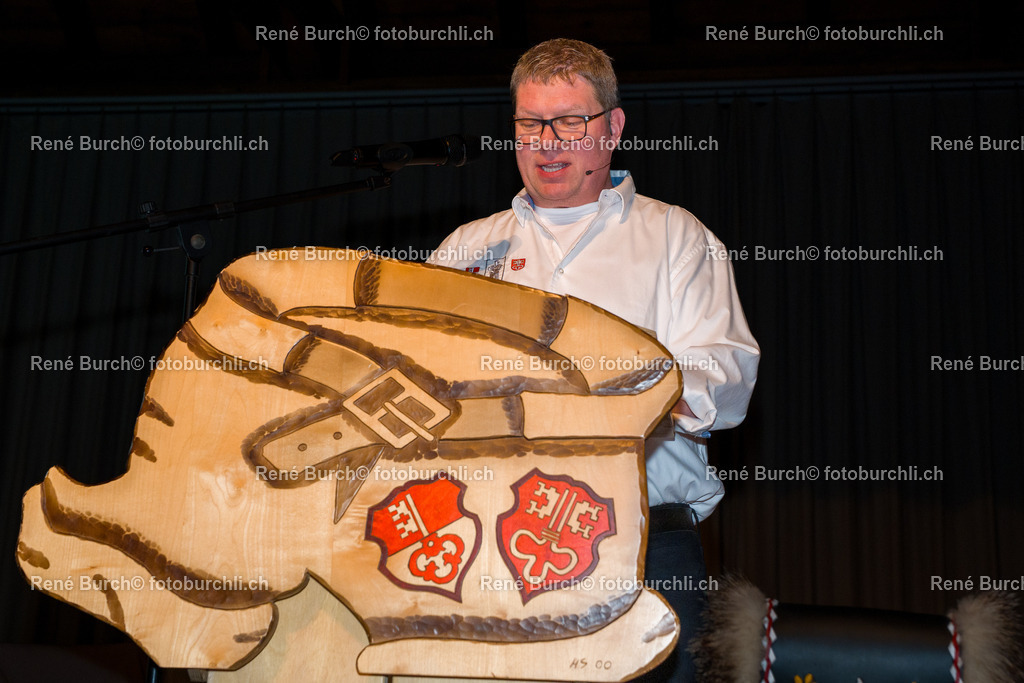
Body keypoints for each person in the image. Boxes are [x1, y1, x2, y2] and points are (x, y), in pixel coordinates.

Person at [427, 38, 759, 682]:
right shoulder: (465, 250)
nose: (548, 142)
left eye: (570, 121)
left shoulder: (674, 237)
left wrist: (598, 386)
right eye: (530, 123)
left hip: (640, 545)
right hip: (486, 547)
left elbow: (727, 378)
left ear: (613, 125)